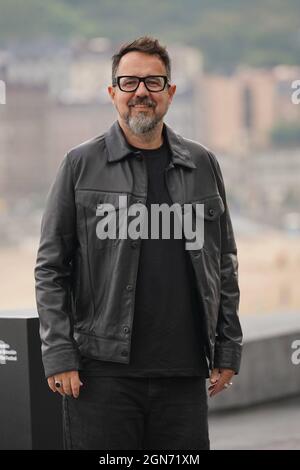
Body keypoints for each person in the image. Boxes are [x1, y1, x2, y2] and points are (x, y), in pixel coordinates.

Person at [35, 36, 243, 450]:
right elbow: (51, 268)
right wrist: (59, 353)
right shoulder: (80, 164)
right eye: (129, 82)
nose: (142, 92)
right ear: (113, 93)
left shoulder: (202, 164)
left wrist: (227, 347)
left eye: (154, 82)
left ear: (171, 92)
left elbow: (223, 263)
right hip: (101, 375)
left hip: (184, 375)